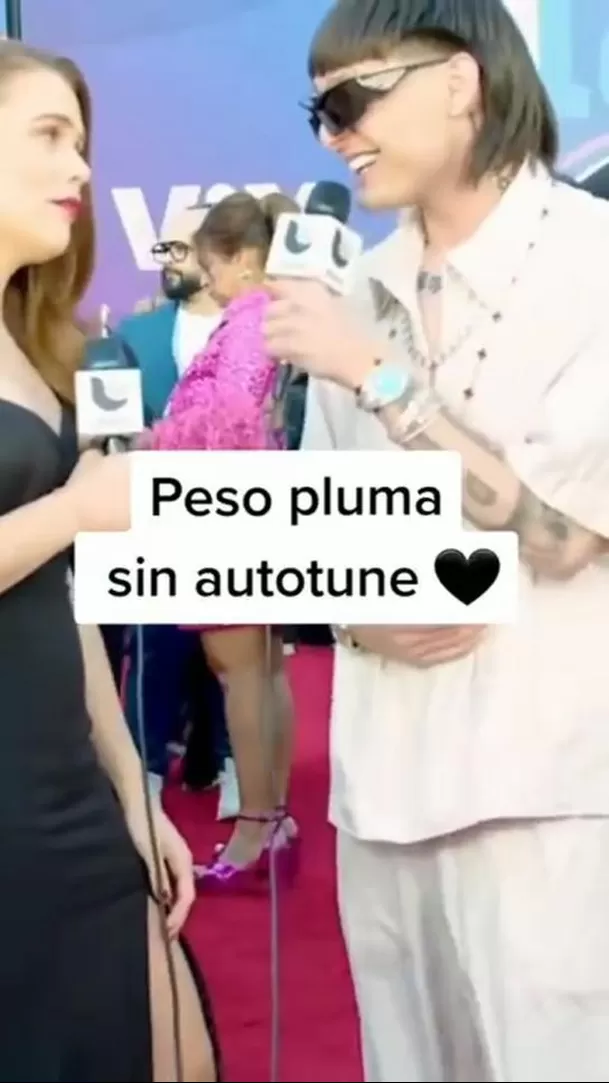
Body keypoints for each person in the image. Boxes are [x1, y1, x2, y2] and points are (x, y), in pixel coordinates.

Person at [263, 1, 609, 1080]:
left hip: (548, 785)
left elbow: (565, 536)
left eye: (354, 101)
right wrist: (358, 617)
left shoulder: (593, 265)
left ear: (461, 83)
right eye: (319, 114)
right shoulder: (350, 293)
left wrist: (379, 378)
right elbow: (320, 536)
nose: (336, 137)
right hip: (382, 788)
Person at [0, 39, 219, 1080]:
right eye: (50, 136)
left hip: (64, 785)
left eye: (81, 142)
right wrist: (78, 507)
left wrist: (134, 789)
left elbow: (60, 598)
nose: (81, 168)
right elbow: (64, 528)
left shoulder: (33, 340)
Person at [142, 192, 299, 892]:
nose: (206, 278)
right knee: (263, 671)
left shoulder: (249, 321)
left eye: (209, 264)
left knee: (241, 673)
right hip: (250, 510)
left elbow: (232, 418)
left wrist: (155, 441)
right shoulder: (269, 317)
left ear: (241, 258)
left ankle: (255, 827)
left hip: (226, 517)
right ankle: (273, 821)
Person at [117, 207, 233, 804]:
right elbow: (111, 426)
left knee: (235, 658)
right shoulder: (133, 336)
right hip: (157, 517)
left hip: (239, 517)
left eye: (179, 249)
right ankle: (146, 773)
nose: (167, 262)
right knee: (155, 653)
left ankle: (239, 773)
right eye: (162, 249)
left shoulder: (258, 328)